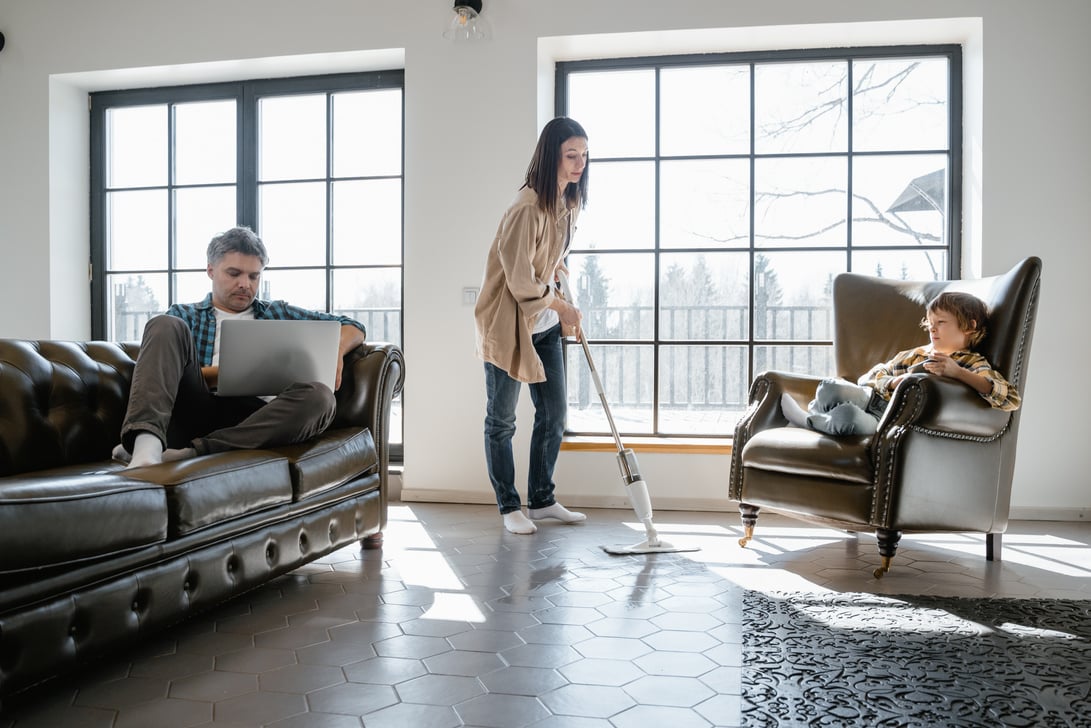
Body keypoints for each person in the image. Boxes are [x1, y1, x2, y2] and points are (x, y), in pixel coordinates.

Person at [113, 226, 366, 468]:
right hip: (198, 406)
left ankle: (194, 453)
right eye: (234, 274)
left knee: (321, 397)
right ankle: (145, 448)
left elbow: (353, 326)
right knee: (164, 324)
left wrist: (337, 352)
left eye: (254, 276)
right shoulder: (184, 315)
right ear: (211, 270)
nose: (245, 284)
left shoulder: (277, 311)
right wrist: (224, 374)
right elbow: (166, 377)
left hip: (255, 419)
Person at [473, 117, 590, 535]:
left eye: (584, 155)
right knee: (502, 420)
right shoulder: (526, 208)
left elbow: (546, 257)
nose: (579, 163)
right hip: (508, 324)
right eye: (570, 155)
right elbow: (521, 282)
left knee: (554, 413)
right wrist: (563, 309)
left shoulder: (567, 202)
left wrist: (559, 273)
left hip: (541, 325)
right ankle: (509, 506)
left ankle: (540, 499)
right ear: (551, 157)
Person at [780, 291, 1021, 436]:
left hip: (886, 419)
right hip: (871, 397)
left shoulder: (971, 362)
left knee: (847, 418)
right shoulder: (915, 355)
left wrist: (958, 373)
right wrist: (895, 381)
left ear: (969, 326)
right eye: (930, 323)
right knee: (830, 387)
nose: (933, 328)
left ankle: (808, 422)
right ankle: (819, 418)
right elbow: (869, 378)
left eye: (942, 322)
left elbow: (1010, 398)